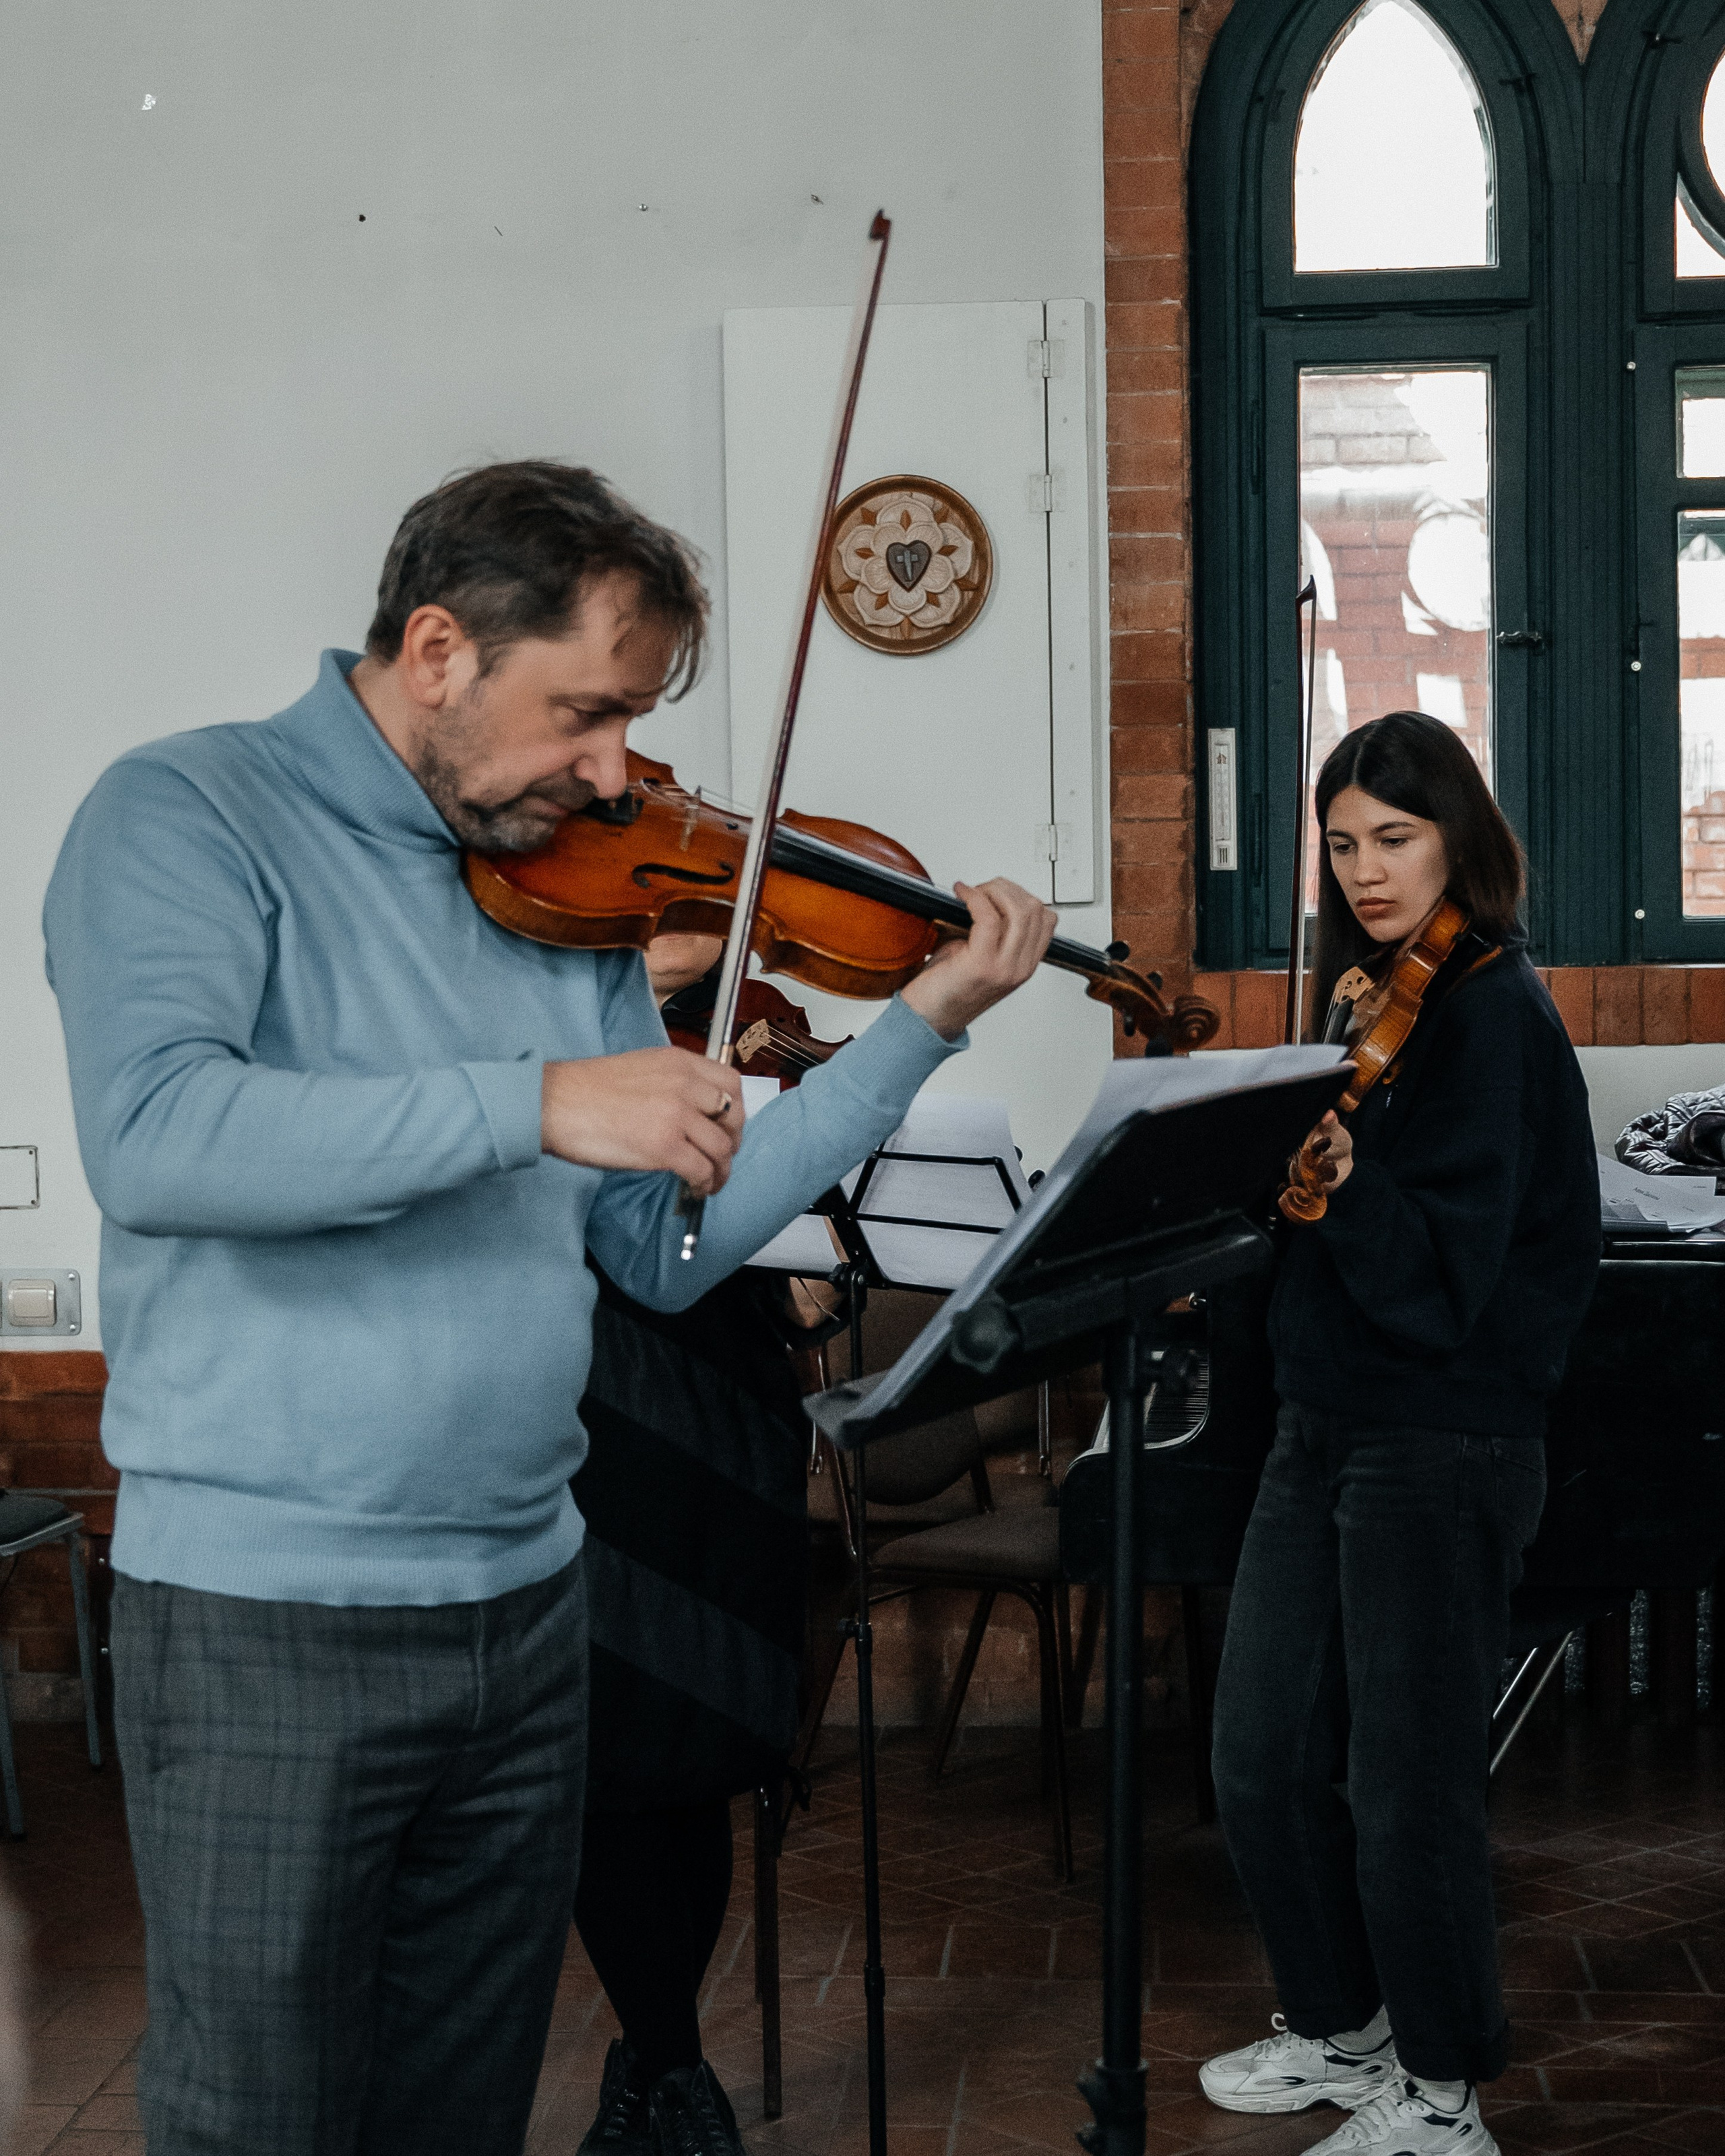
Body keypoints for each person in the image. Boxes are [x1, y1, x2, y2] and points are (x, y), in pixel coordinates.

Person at [41, 459, 1057, 2156]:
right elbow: (158, 1139)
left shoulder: (553, 880)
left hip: (526, 1609)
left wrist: (917, 1024)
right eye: (584, 714)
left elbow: (657, 1248)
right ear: (436, 649)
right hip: (267, 1621)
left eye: (632, 724)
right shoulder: (183, 816)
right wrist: (533, 1099)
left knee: (461, 2106)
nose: (611, 772)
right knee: (255, 2117)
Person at [1201, 713, 1600, 2156]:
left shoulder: (1489, 1010)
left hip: (1437, 1440)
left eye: (1394, 837)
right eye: (1342, 840)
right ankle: (1340, 2023)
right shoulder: (1368, 998)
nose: (1363, 869)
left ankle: (1440, 2095)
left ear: (1457, 843)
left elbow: (1446, 1280)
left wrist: (1334, 1182)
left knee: (1404, 1789)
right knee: (1251, 1754)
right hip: (1321, 1424)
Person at [572, 930, 829, 2156]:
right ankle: (672, 2065)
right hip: (598, 1409)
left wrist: (813, 1278)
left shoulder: (759, 1022)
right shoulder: (549, 1027)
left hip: (734, 1426)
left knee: (704, 1750)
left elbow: (804, 1238)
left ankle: (657, 2070)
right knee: (606, 1758)